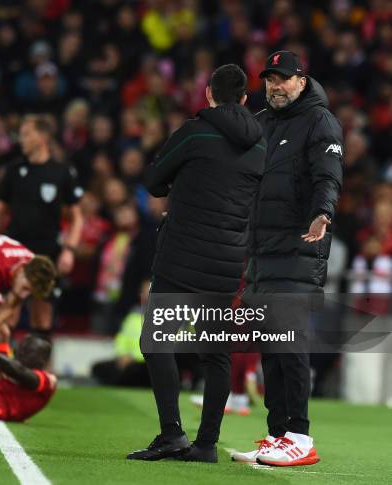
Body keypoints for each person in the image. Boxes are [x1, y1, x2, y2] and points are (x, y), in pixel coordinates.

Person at [126, 64, 266, 463]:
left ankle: (172, 434)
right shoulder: (260, 145)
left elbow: (154, 181)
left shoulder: (195, 131)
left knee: (156, 341)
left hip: (181, 254)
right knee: (215, 352)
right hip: (226, 260)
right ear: (243, 99)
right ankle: (206, 444)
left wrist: (183, 187)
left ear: (208, 95)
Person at [231, 51, 343, 467]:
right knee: (272, 348)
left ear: (301, 81)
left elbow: (328, 175)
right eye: (270, 79)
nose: (275, 86)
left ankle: (300, 435)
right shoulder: (261, 123)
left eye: (283, 79)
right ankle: (278, 435)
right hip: (261, 254)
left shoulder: (320, 121)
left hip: (298, 249)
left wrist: (323, 213)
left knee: (289, 345)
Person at [0, 116, 84, 335]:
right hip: (15, 249)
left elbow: (77, 217)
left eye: (26, 134)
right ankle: (3, 365)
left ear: (43, 137)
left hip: (47, 250)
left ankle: (39, 367)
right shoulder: (13, 170)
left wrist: (69, 250)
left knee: (42, 313)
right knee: (9, 310)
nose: (21, 140)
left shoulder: (62, 171)